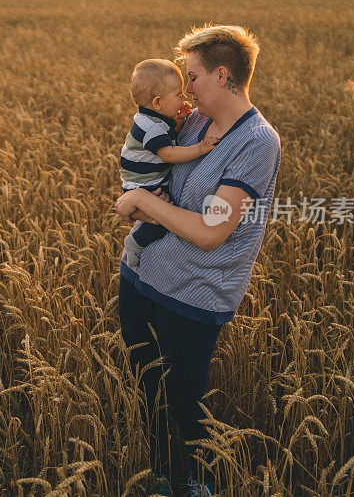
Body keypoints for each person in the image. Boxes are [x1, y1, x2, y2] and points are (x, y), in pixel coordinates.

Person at [114, 25, 281, 497]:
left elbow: (212, 231)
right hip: (141, 276)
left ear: (222, 75)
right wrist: (141, 194)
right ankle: (164, 479)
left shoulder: (257, 143)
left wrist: (141, 202)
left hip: (191, 296)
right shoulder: (192, 123)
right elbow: (145, 161)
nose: (185, 89)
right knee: (149, 392)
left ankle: (195, 487)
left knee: (185, 408)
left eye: (192, 77)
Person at [120, 58, 220, 268]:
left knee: (159, 213)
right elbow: (170, 154)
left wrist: (179, 123)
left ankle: (138, 235)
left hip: (143, 177)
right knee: (164, 217)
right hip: (142, 183)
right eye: (178, 94)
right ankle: (135, 242)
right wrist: (200, 148)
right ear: (157, 102)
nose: (185, 97)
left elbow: (169, 135)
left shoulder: (155, 119)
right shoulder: (151, 127)